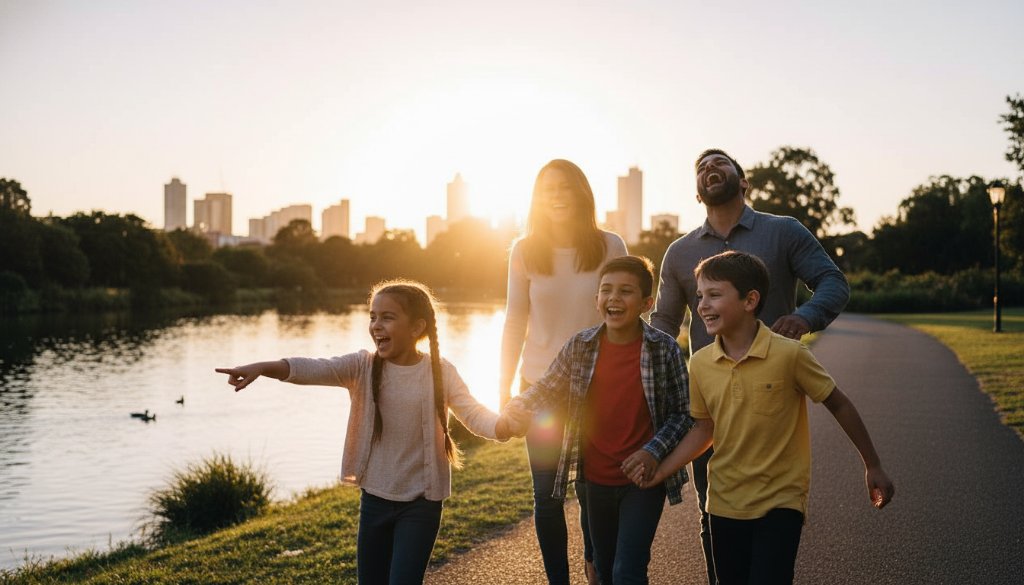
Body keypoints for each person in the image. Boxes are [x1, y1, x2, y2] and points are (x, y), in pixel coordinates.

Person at [216, 280, 531, 585]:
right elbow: (313, 367)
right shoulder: (362, 367)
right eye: (373, 317)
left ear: (417, 327)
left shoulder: (440, 372)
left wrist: (502, 426)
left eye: (388, 317)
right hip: (375, 501)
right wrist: (261, 367)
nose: (376, 325)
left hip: (421, 504)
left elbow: (473, 414)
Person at [629, 250, 894, 585]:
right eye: (699, 296)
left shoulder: (789, 354)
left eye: (714, 295)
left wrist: (872, 463)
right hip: (723, 501)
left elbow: (838, 404)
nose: (702, 306)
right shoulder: (700, 363)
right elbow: (703, 429)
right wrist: (661, 471)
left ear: (750, 300)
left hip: (781, 500)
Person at [650, 148, 850, 584]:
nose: (709, 168)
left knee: (774, 514)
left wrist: (805, 318)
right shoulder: (679, 253)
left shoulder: (784, 232)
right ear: (696, 192)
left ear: (744, 182)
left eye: (720, 162)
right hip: (710, 401)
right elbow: (664, 324)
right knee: (714, 512)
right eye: (700, 166)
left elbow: (833, 282)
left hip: (772, 398)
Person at [510, 255, 694, 585]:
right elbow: (547, 388)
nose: (613, 298)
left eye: (625, 291)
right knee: (605, 569)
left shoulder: (663, 349)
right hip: (594, 480)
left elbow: (684, 415)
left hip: (643, 480)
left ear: (645, 302)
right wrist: (515, 407)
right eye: (606, 290)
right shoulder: (580, 346)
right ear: (596, 300)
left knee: (628, 570)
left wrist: (652, 451)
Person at [500, 159, 628, 584]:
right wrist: (504, 390)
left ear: (581, 193)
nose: (556, 195)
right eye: (547, 188)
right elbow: (515, 320)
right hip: (540, 389)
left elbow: (623, 313)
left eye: (565, 187)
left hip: (599, 387)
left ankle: (596, 567)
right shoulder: (523, 250)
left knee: (593, 490)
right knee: (546, 497)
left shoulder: (610, 246)